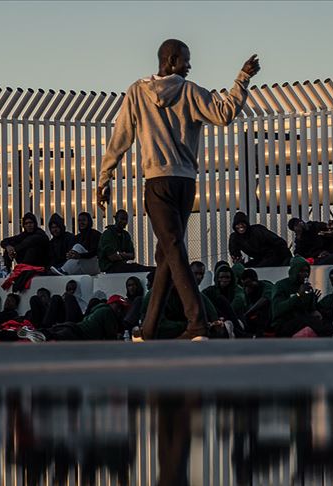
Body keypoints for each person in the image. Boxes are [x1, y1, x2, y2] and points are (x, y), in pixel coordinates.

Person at [96, 39, 259, 340]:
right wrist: (242, 79)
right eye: (186, 60)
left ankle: (196, 324)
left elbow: (121, 137)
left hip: (157, 183)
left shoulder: (137, 92)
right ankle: (149, 329)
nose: (190, 65)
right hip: (185, 183)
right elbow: (224, 114)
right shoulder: (192, 91)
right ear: (171, 60)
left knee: (171, 248)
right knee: (167, 255)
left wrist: (104, 177)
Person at [270, 256, 331, 337]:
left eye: (307, 271)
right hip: (283, 323)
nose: (305, 274)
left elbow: (310, 310)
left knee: (322, 320)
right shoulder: (281, 285)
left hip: (302, 321)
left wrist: (314, 302)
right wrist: (298, 295)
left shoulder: (307, 288)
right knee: (308, 321)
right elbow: (277, 310)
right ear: (295, 271)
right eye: (301, 271)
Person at [42, 295, 130, 341]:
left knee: (49, 333)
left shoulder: (100, 309)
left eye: (122, 309)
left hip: (74, 329)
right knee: (50, 336)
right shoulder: (107, 312)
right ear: (110, 303)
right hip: (77, 333)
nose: (119, 310)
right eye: (118, 306)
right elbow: (111, 337)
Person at [238, 269, 275, 336]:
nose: (246, 287)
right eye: (244, 285)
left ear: (255, 280)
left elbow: (265, 299)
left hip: (269, 316)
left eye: (248, 283)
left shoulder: (266, 286)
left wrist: (248, 313)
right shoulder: (245, 291)